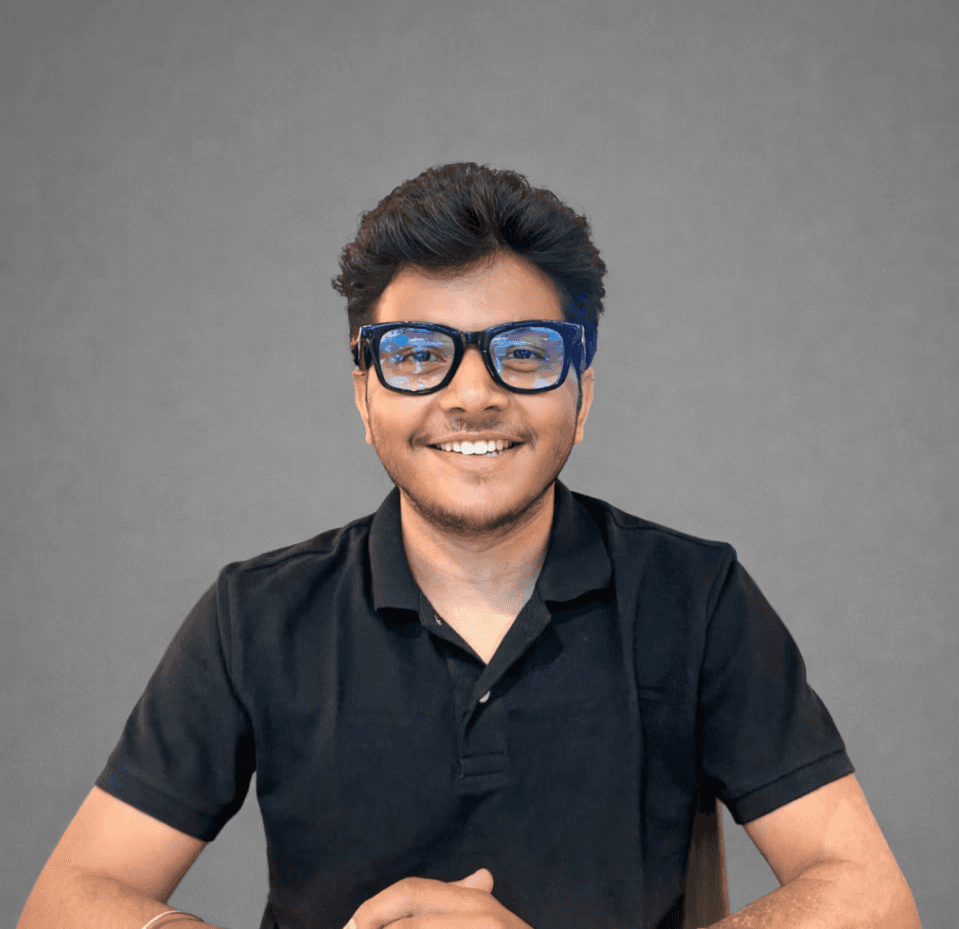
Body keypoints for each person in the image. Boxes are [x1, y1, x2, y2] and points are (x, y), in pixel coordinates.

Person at [18, 163, 920, 929]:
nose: (474, 394)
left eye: (523, 352)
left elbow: (870, 895)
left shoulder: (696, 594)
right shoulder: (255, 615)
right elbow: (69, 898)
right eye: (417, 354)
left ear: (583, 393)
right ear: (366, 397)